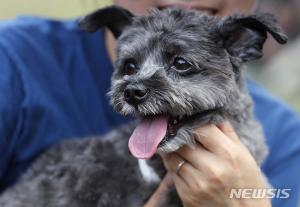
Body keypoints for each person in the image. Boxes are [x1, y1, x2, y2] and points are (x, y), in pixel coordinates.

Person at [0, 0, 299, 206]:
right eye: (130, 68)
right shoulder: (12, 63)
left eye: (181, 63)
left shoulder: (288, 142)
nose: (135, 87)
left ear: (242, 41)